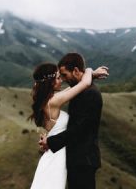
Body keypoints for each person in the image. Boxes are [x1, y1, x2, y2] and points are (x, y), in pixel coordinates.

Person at [34, 53, 105, 189]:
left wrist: (50, 141)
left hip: (83, 159)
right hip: (68, 156)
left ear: (76, 71)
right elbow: (82, 83)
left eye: (64, 76)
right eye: (59, 77)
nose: (63, 80)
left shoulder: (90, 94)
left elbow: (81, 129)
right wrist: (90, 72)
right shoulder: (59, 97)